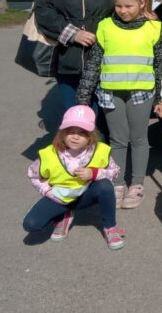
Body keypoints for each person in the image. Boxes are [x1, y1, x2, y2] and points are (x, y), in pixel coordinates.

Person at [75, 0, 162, 210]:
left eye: (128, 6)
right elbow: (94, 63)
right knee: (118, 140)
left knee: (139, 139)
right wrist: (84, 94)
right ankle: (117, 183)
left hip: (141, 93)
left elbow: (161, 65)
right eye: (118, 6)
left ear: (141, 3)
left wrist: (161, 98)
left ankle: (136, 185)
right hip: (110, 92)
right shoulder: (105, 26)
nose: (123, 11)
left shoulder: (154, 28)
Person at [34, 0, 124, 124]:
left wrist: (143, 14)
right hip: (67, 57)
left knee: (104, 118)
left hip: (103, 57)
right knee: (76, 117)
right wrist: (73, 34)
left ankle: (103, 154)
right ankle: (76, 155)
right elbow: (43, 9)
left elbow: (126, 5)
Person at [23, 105, 126, 250]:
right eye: (70, 132)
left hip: (86, 194)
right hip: (59, 197)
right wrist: (47, 191)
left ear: (91, 136)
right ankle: (64, 215)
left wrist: (94, 173)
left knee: (105, 185)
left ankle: (110, 227)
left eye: (82, 133)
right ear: (62, 133)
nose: (75, 136)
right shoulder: (49, 154)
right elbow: (33, 176)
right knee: (31, 224)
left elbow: (115, 171)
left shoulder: (100, 150)